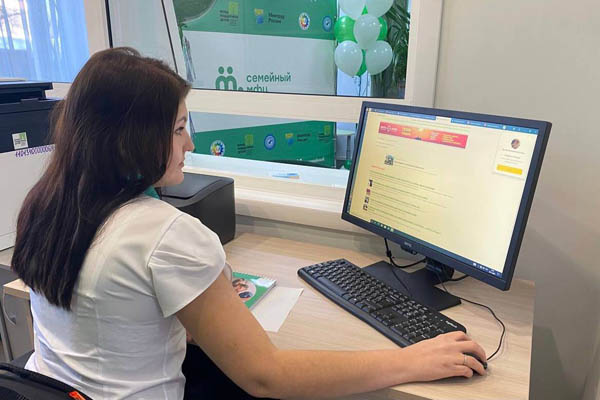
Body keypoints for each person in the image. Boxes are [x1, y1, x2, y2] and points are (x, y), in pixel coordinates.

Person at [11, 48, 486, 400]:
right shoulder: (163, 234)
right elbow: (267, 375)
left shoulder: (48, 206)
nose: (190, 143)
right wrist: (409, 360)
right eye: (178, 129)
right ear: (130, 140)